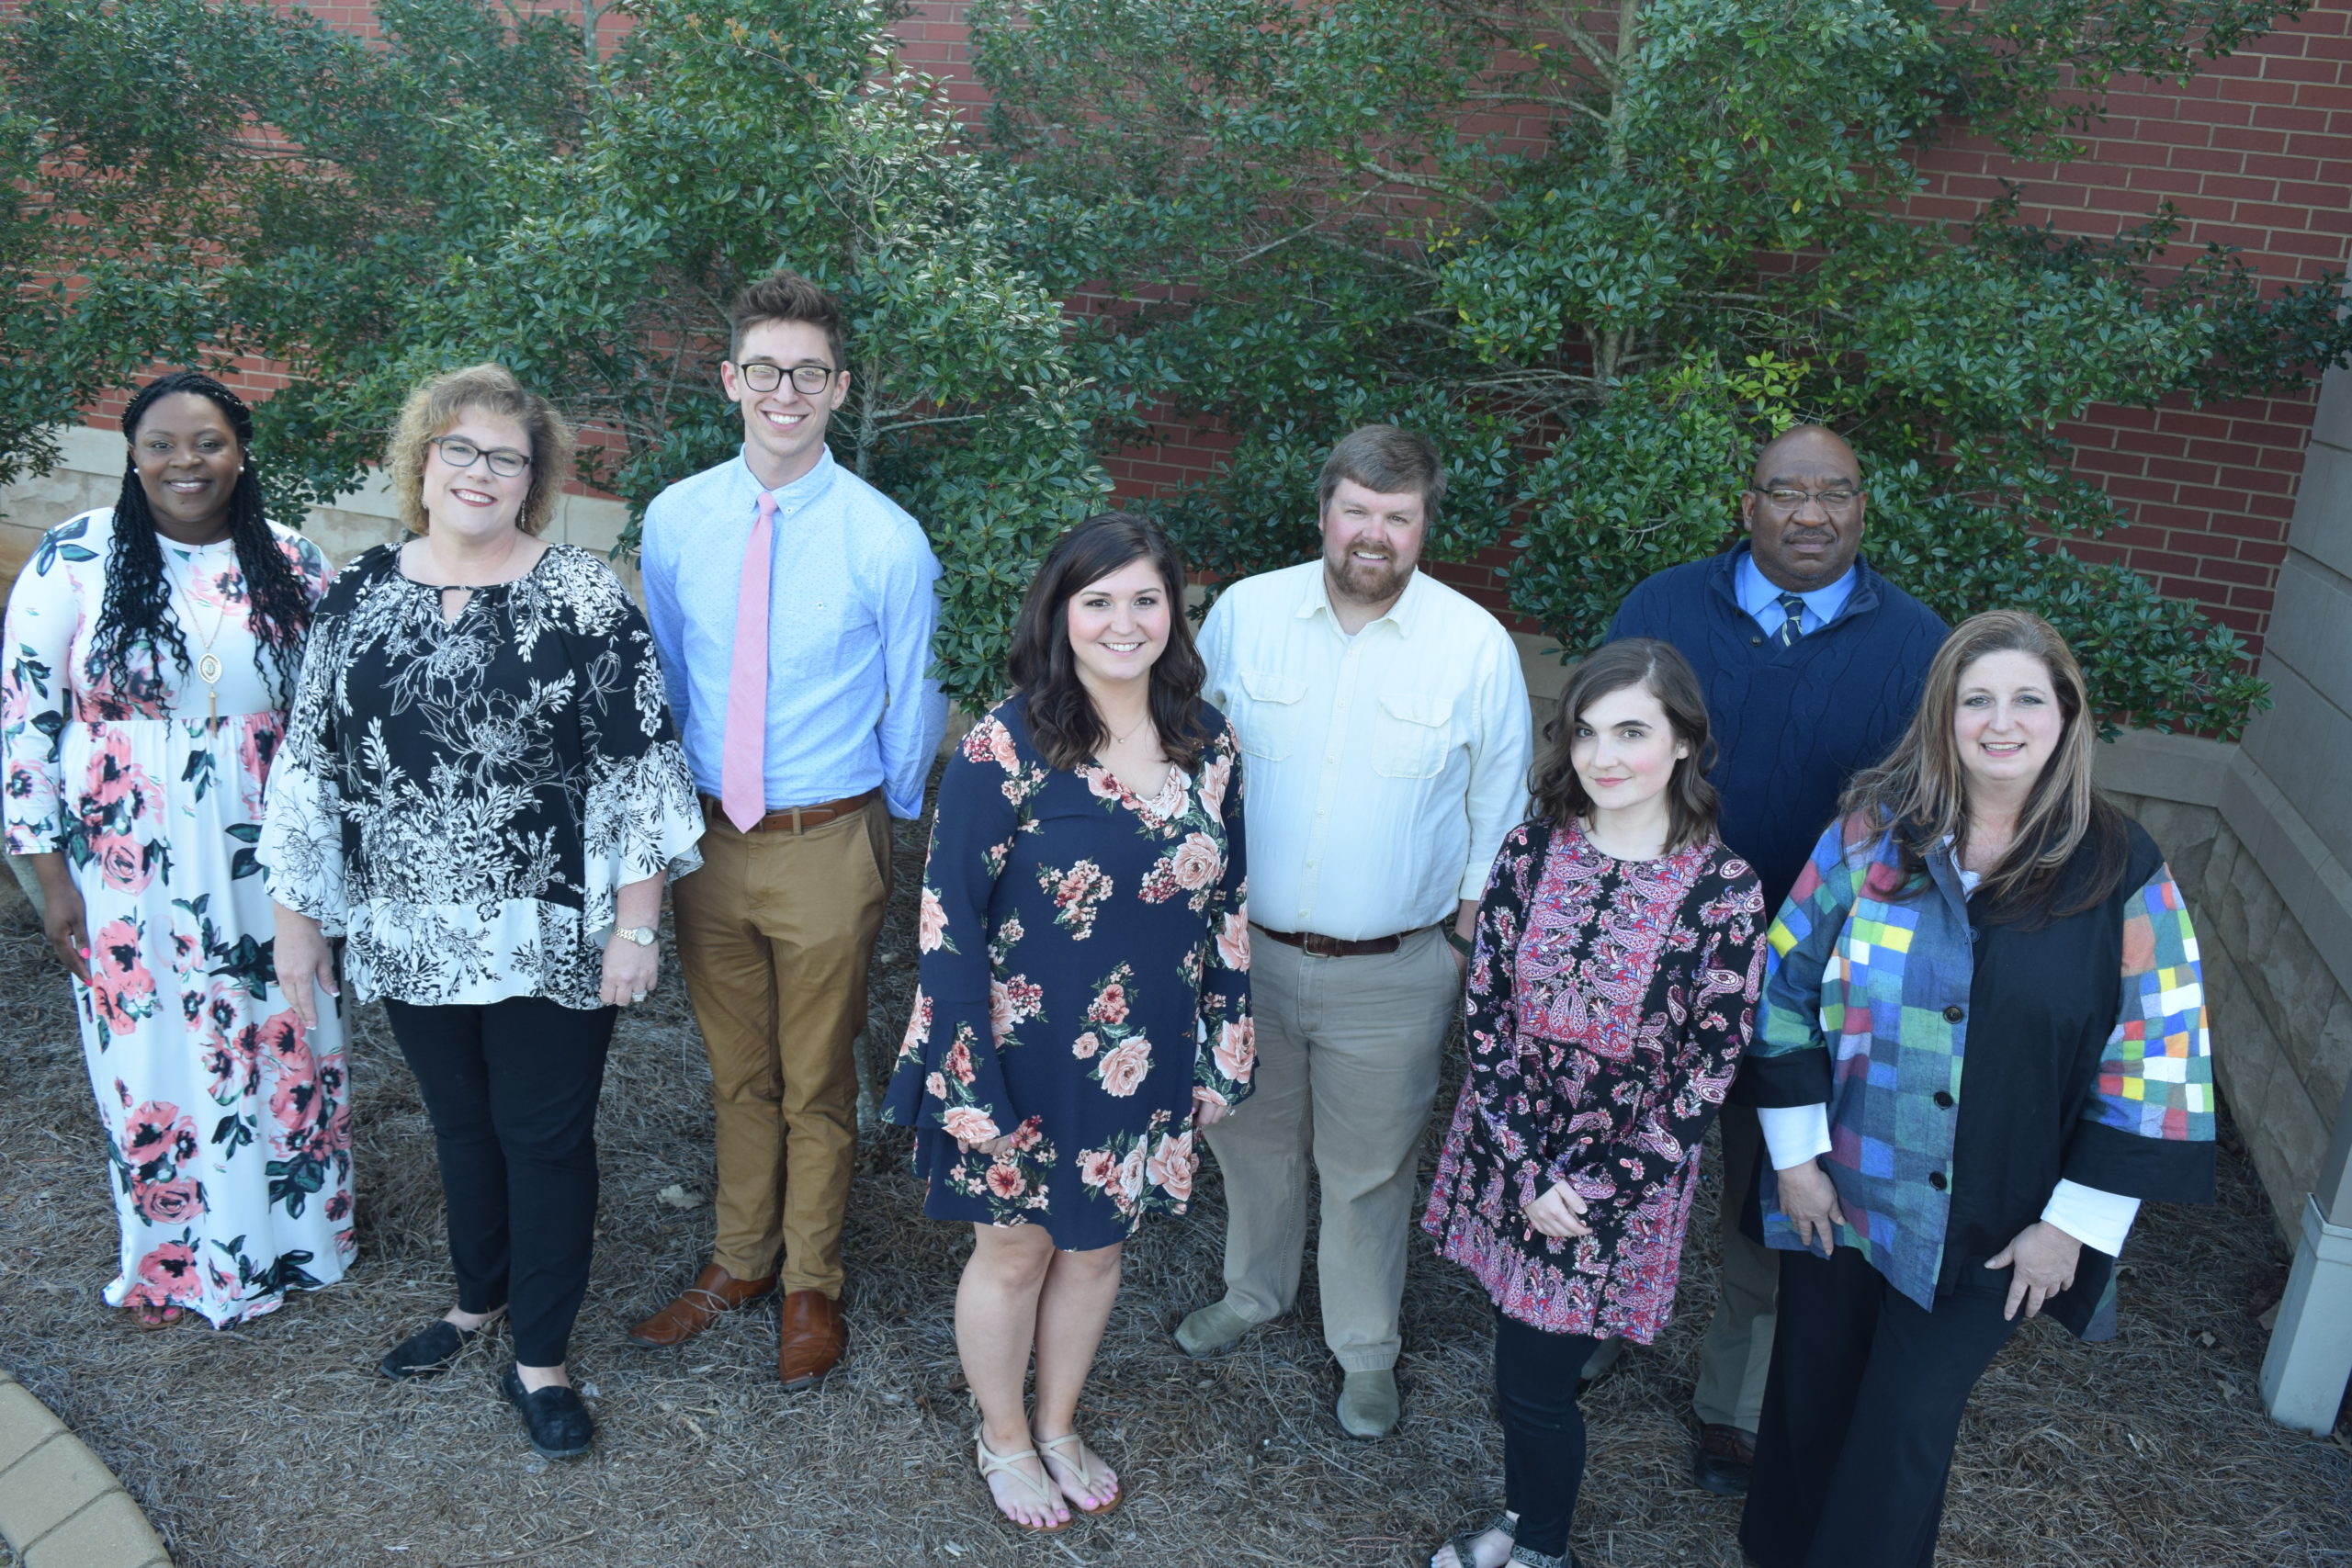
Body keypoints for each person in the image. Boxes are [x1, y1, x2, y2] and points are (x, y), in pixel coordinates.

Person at [261, 364, 703, 1460]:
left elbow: (639, 767)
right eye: (460, 449)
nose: (480, 472)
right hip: (407, 925)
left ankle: (540, 1358)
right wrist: (298, 918)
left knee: (542, 1137)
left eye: (506, 457)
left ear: (533, 480)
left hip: (550, 929)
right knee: (460, 1125)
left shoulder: (584, 595)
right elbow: (312, 764)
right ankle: (477, 1300)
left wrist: (636, 926)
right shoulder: (358, 591)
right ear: (424, 460)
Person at [1736, 610, 2215, 1567]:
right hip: (1838, 1192)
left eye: (2027, 699)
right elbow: (1776, 988)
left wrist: (2072, 1225)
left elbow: (2156, 1056)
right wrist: (1794, 1161)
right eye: (1977, 699)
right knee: (1811, 1401)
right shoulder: (1868, 839)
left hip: (1993, 1224)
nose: (2002, 720)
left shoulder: (2122, 870)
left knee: (1901, 1432)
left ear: (2066, 716)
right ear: (1943, 715)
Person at [882, 513, 1252, 1531]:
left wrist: (1224, 1051)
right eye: (1098, 600)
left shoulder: (1208, 743)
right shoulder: (1008, 745)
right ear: (1061, 611)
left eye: (1145, 599)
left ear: (1174, 613)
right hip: (1015, 1050)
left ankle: (1056, 1421)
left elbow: (1228, 906)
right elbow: (946, 920)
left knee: (1094, 1249)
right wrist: (964, 1074)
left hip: (1143, 1059)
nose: (1123, 622)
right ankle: (1001, 1435)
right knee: (1013, 1250)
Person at [1604, 423, 1946, 1492]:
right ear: (1745, 505)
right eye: (1787, 492)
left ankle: (1733, 1408)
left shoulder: (1918, 647)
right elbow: (1595, 761)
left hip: (1807, 992)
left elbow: (1924, 825)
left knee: (1773, 1201)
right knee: (1617, 1165)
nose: (1812, 513)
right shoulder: (1663, 609)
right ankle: (1590, 1329)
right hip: (1654, 967)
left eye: (1835, 492)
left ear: (1862, 507)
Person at [1180, 424, 1532, 1439]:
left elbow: (1498, 817)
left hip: (1397, 969)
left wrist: (1461, 948)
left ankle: (1365, 1347)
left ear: (1423, 526)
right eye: (1357, 510)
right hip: (1249, 954)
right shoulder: (1247, 616)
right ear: (1324, 509)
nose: (1373, 533)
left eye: (1398, 516)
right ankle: (1252, 1293)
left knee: (1370, 1167)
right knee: (1248, 1143)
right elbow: (1189, 763)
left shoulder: (1472, 645)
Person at [632, 269, 948, 1389]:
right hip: (708, 839)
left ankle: (813, 1282)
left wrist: (887, 838)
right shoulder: (677, 520)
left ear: (838, 388)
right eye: (763, 369)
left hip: (829, 834)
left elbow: (912, 704)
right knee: (736, 1071)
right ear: (731, 380)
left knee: (817, 1077)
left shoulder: (885, 539)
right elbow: (666, 675)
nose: (785, 391)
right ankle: (738, 1263)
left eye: (808, 373)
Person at [1, 370, 353, 1329]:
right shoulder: (75, 558)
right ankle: (175, 1254)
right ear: (132, 455)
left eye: (206, 443)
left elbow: (326, 727)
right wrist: (49, 878)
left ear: (241, 452)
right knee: (149, 1044)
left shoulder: (292, 561)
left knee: (281, 1028)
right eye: (160, 444)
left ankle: (299, 1241)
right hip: (124, 862)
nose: (184, 463)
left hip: (261, 850)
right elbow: (24, 722)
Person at [1422, 638, 1764, 1568]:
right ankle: (1524, 1522)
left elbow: (1708, 1066)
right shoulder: (1532, 852)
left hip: (1611, 1185)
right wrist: (1527, 1167)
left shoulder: (1723, 891)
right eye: (1585, 731)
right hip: (1513, 1153)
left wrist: (1592, 1187)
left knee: (1533, 1385)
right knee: (1521, 1369)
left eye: (1630, 731)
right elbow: (1486, 1013)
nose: (1601, 756)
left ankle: (1541, 1549)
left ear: (1686, 743)